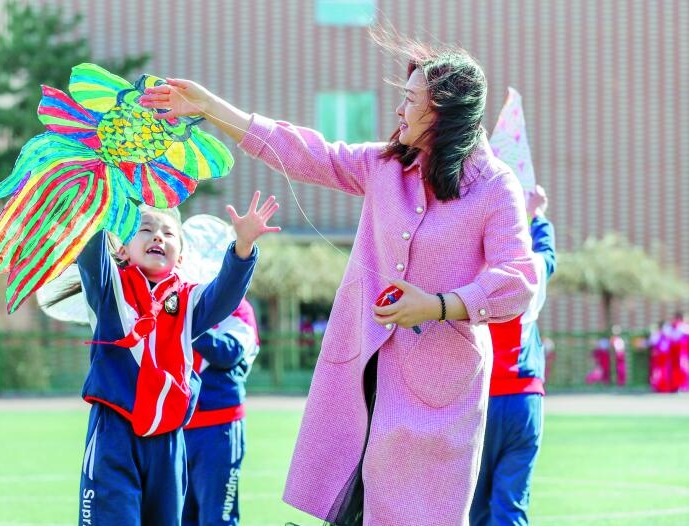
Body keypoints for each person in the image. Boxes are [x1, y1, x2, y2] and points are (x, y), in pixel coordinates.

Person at [140, 34, 537, 525]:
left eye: (411, 100)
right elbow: (307, 151)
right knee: (351, 509)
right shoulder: (385, 166)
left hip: (440, 390)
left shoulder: (496, 188)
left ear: (444, 112)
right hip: (361, 374)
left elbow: (518, 279)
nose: (399, 110)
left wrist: (437, 305)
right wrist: (210, 107)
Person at [76, 193, 279, 526]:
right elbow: (90, 243)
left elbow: (224, 294)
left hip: (169, 439)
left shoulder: (188, 300)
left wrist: (243, 247)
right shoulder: (108, 287)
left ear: (181, 258)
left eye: (169, 233)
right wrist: (103, 192)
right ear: (123, 249)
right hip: (115, 430)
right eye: (145, 229)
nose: (158, 236)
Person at [470, 185, 556, 526]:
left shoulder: (472, 274)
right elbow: (547, 255)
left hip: (478, 399)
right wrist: (537, 214)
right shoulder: (529, 271)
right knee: (511, 506)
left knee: (473, 507)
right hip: (523, 398)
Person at [182, 297, 260, 526]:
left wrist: (187, 323)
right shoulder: (187, 300)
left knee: (218, 518)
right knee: (179, 518)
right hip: (177, 428)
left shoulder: (238, 307)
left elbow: (228, 352)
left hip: (219, 428)